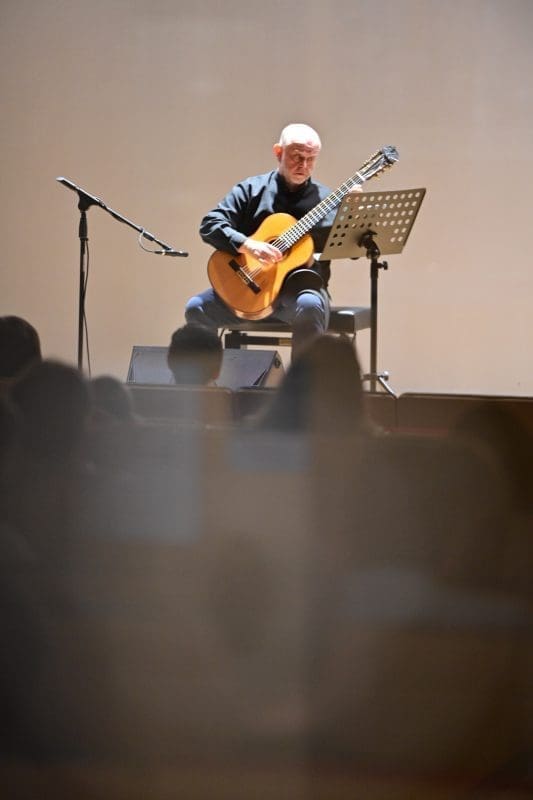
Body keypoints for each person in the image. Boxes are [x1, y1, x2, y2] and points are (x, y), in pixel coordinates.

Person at [185, 123, 340, 358]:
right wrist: (248, 245)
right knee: (197, 307)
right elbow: (210, 225)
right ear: (279, 152)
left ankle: (301, 381)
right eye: (297, 156)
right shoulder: (251, 190)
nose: (304, 165)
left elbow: (353, 246)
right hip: (249, 286)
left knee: (309, 306)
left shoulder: (327, 201)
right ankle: (207, 379)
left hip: (298, 294)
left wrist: (352, 217)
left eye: (311, 159)